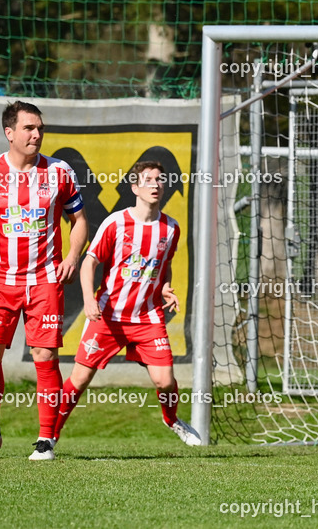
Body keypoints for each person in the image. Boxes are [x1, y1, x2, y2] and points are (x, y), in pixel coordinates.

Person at [0, 101, 88, 460]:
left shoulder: (60, 171)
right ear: (10, 132)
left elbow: (79, 220)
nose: (37, 134)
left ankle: (46, 440)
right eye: (29, 128)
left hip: (45, 279)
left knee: (44, 355)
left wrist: (72, 257)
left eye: (40, 128)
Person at [52, 160, 200, 454]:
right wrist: (89, 299)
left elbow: (164, 265)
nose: (155, 185)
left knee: (165, 381)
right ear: (134, 188)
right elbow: (89, 263)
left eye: (159, 180)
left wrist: (166, 286)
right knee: (80, 379)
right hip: (108, 316)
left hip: (147, 317)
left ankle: (171, 420)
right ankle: (50, 437)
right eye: (148, 180)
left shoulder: (171, 228)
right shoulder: (116, 223)